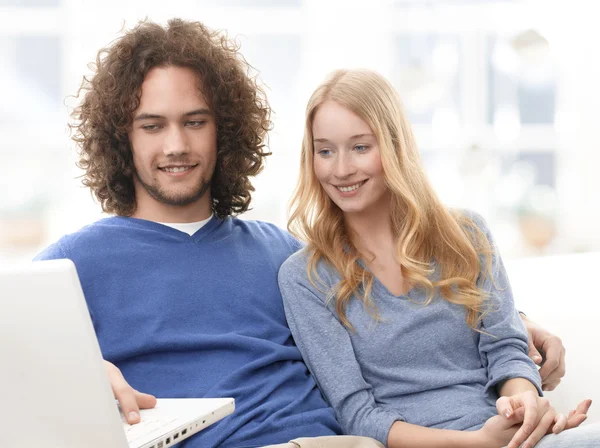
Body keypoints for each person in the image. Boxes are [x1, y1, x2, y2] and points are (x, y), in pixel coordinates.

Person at [34, 18, 577, 448]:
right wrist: (76, 373)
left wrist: (518, 322)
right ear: (120, 139)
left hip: (332, 442)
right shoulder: (72, 265)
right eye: (152, 126)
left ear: (225, 129)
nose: (176, 144)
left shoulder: (284, 255)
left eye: (195, 121)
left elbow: (383, 296)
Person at [278, 68, 597, 448]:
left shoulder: (467, 234)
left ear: (395, 146)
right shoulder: (306, 277)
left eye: (361, 147)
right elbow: (357, 415)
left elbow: (506, 350)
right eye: (325, 150)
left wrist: (525, 405)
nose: (341, 169)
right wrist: (476, 444)